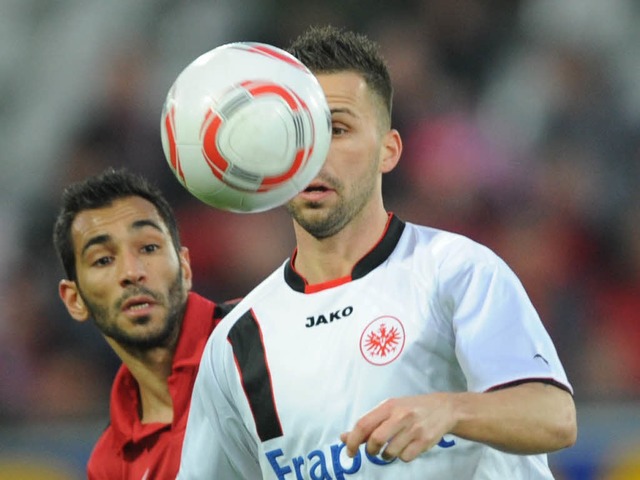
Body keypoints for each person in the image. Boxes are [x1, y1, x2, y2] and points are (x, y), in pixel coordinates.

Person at [177, 25, 577, 479]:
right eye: (297, 131)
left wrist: (451, 410)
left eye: (338, 128)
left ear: (389, 151)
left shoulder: (455, 270)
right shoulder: (236, 341)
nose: (313, 155)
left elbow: (555, 416)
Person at [52, 167, 237, 479]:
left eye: (149, 248)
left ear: (185, 267)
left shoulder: (257, 336)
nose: (132, 271)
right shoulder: (110, 463)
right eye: (103, 260)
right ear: (75, 300)